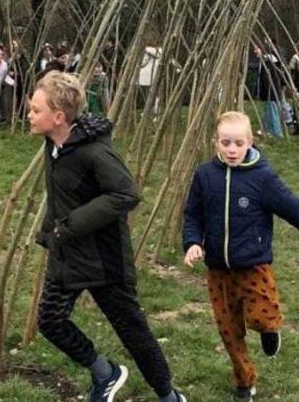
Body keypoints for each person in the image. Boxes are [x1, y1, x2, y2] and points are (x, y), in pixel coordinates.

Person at [27, 71, 187, 402]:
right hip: (68, 254)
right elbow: (64, 197)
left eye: (35, 109)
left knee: (133, 332)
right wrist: (50, 232)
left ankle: (170, 396)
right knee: (51, 321)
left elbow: (125, 194)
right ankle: (105, 373)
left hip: (104, 260)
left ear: (58, 117)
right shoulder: (53, 146)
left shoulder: (94, 152)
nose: (29, 115)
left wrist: (71, 224)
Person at [182, 111, 299, 401]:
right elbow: (193, 215)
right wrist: (192, 242)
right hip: (218, 270)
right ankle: (244, 381)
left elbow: (293, 207)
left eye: (238, 143)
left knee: (262, 315)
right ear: (216, 142)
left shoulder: (262, 178)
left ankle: (269, 330)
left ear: (250, 142)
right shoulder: (205, 176)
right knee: (229, 330)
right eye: (225, 142)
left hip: (254, 264)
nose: (231, 149)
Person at [250, 43, 283, 138]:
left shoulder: (269, 61)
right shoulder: (264, 61)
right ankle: (269, 129)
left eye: (256, 49)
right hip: (267, 91)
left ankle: (277, 132)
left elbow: (269, 78)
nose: (255, 51)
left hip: (271, 91)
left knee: (273, 111)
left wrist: (269, 89)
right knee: (268, 111)